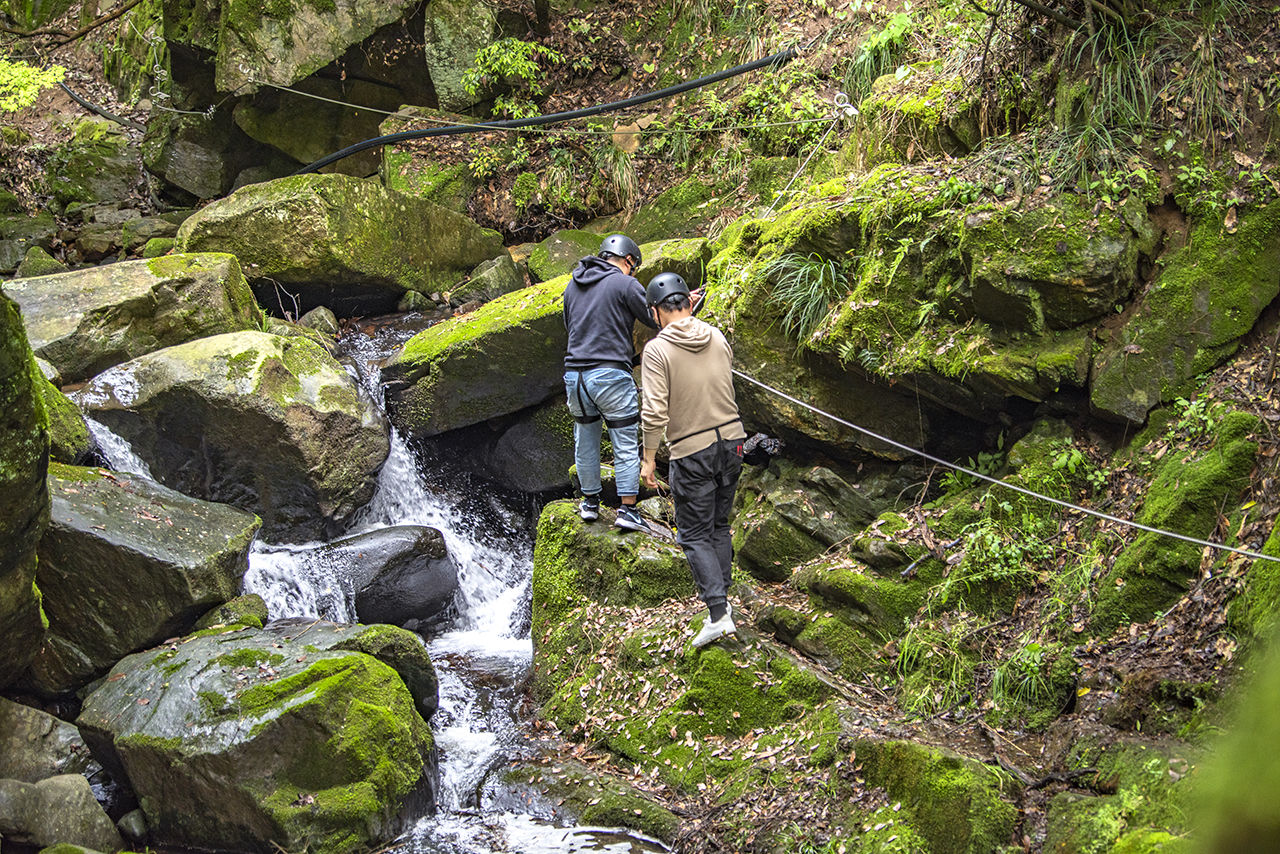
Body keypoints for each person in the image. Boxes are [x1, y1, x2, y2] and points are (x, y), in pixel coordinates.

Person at [639, 272, 747, 648]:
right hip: (733, 441)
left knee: (694, 533)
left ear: (656, 312)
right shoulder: (716, 335)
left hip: (693, 449)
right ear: (688, 302)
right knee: (718, 525)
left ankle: (718, 614)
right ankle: (725, 603)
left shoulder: (657, 350)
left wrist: (649, 458)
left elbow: (653, 412)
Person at [563, 233, 656, 532]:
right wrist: (683, 304)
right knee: (624, 441)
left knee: (586, 439)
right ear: (628, 260)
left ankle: (589, 504)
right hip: (609, 375)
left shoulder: (572, 286)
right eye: (634, 267)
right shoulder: (624, 283)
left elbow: (570, 325)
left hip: (574, 377)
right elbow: (654, 317)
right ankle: (627, 510)